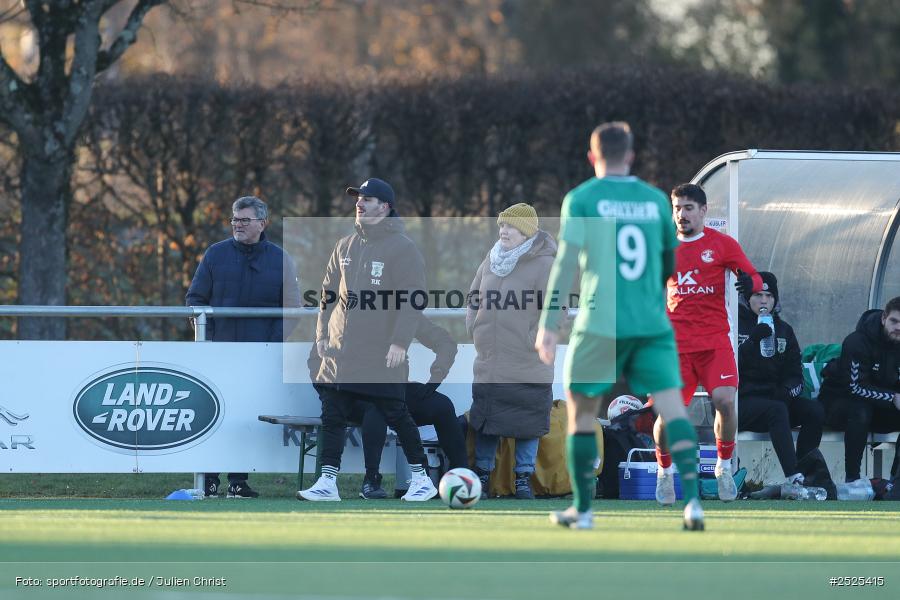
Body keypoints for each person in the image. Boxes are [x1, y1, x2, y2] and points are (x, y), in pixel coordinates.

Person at [536, 121, 705, 530]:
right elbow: (669, 265)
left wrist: (547, 322)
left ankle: (583, 509)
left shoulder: (582, 199)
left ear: (592, 157)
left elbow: (564, 265)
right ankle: (694, 504)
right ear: (631, 156)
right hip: (652, 323)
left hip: (600, 322)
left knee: (580, 415)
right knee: (672, 408)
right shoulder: (652, 201)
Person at [297, 177, 438, 502]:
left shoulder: (403, 248)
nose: (360, 202)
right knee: (332, 414)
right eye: (358, 197)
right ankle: (327, 482)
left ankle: (422, 480)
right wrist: (321, 334)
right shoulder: (344, 245)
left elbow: (413, 300)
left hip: (381, 351)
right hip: (340, 352)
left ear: (385, 207)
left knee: (396, 413)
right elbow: (327, 295)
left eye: (369, 198)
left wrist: (400, 342)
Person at [186, 195, 301, 499]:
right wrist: (207, 340)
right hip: (218, 354)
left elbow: (293, 308)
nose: (238, 224)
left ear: (263, 223)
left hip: (259, 356)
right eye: (235, 219)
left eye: (244, 220)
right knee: (212, 415)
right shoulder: (215, 255)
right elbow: (195, 300)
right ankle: (209, 479)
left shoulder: (280, 259)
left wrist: (270, 344)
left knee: (245, 417)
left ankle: (238, 480)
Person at [654, 182, 762, 506]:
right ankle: (663, 473)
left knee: (725, 402)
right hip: (675, 346)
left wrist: (748, 283)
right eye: (677, 208)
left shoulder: (722, 245)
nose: (682, 215)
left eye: (688, 208)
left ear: (703, 211)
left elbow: (754, 277)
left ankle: (723, 467)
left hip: (714, 342)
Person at [306, 315, 467, 499]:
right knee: (377, 405)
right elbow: (315, 360)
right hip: (350, 394)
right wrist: (330, 394)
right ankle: (371, 480)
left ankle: (462, 477)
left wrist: (435, 378)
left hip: (392, 389)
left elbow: (446, 342)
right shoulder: (345, 313)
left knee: (442, 405)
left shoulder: (402, 313)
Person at [467, 203, 557, 500]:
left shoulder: (545, 264)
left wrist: (533, 340)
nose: (504, 231)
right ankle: (482, 476)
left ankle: (522, 479)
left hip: (528, 360)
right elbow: (473, 298)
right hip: (490, 359)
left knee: (528, 421)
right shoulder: (490, 259)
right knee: (486, 420)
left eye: (511, 226)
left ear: (526, 232)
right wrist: (475, 328)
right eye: (502, 226)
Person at [737, 271, 824, 490]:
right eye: (757, 294)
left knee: (814, 410)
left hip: (775, 402)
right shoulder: (734, 325)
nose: (763, 300)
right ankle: (793, 477)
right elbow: (726, 366)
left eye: (769, 295)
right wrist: (752, 341)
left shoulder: (784, 329)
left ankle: (805, 471)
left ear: (775, 300)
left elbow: (796, 375)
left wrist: (787, 391)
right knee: (776, 410)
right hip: (740, 404)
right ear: (747, 298)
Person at [820, 296, 900, 484]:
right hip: (838, 405)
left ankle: (896, 484)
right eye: (894, 321)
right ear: (883, 319)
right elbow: (855, 387)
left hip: (879, 408)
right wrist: (892, 398)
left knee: (867, 409)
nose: (898, 327)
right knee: (860, 409)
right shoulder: (858, 341)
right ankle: (852, 480)